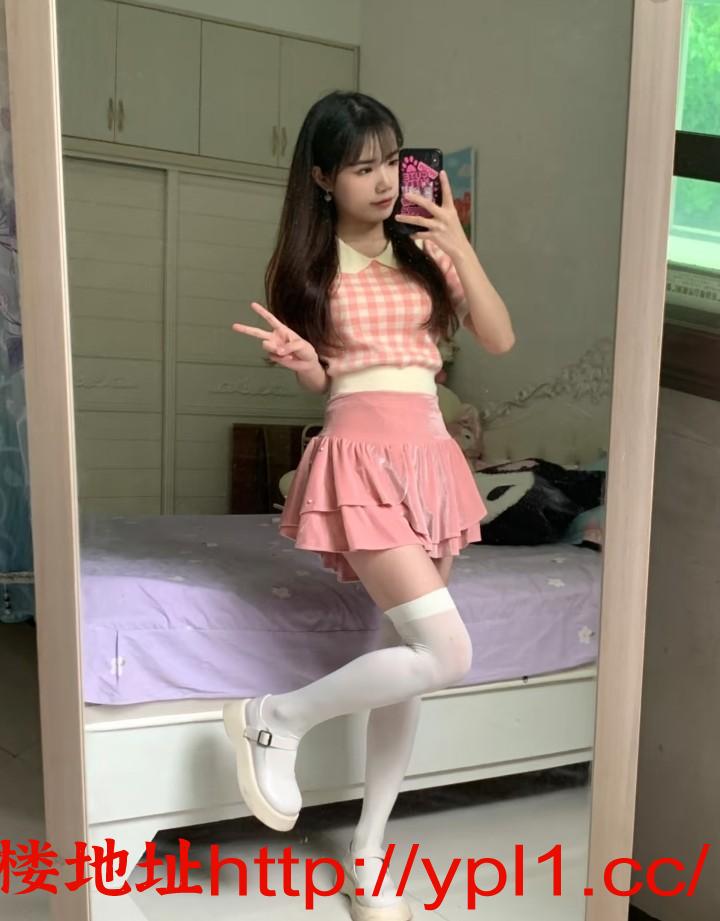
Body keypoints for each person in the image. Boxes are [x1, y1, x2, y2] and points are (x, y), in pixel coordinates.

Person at [223, 90, 514, 920]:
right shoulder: (307, 267)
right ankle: (275, 717)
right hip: (358, 454)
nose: (384, 181)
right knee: (446, 650)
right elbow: (328, 377)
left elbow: (498, 338)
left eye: (390, 162)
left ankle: (370, 854)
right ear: (322, 177)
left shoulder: (427, 253)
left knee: (409, 666)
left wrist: (458, 240)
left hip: (430, 457)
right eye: (361, 168)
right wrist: (303, 366)